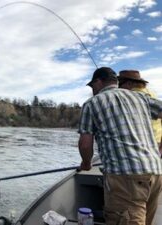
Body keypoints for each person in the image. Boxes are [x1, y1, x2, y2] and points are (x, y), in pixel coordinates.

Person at [78, 67, 162, 225]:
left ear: (98, 81)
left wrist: (86, 163)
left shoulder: (92, 103)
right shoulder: (140, 98)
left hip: (125, 177)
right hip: (156, 173)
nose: (92, 90)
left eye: (92, 86)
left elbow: (85, 143)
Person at [118, 70, 162, 155]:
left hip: (144, 141)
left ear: (128, 83)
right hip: (157, 139)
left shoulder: (135, 96)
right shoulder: (150, 92)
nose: (118, 87)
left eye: (120, 83)